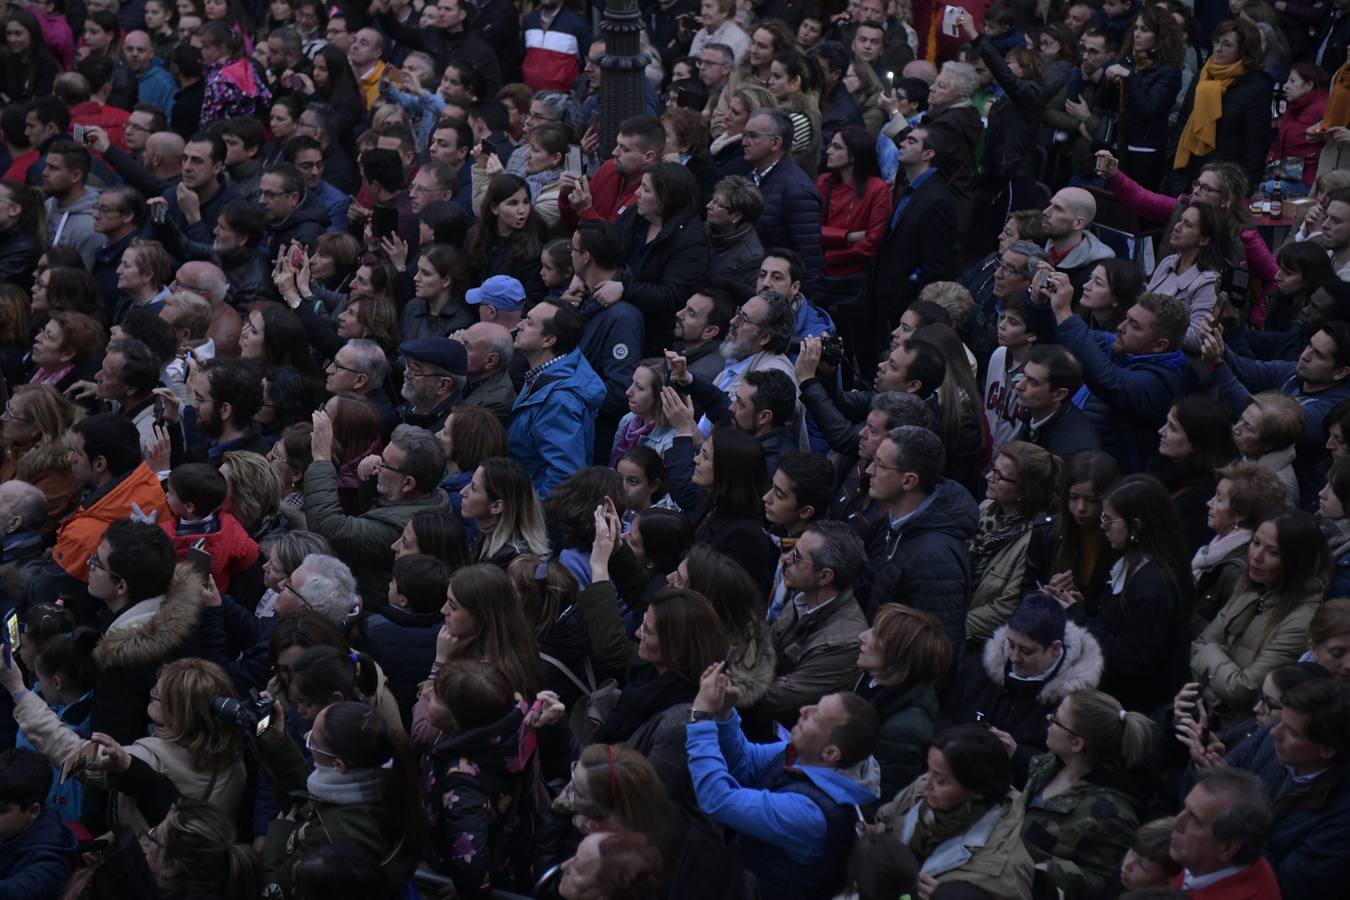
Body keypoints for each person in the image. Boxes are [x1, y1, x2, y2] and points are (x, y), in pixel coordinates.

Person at [685, 666, 881, 900]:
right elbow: (745, 763)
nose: (803, 710)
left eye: (816, 716)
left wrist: (700, 717)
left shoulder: (810, 814)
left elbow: (717, 799)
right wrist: (724, 713)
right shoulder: (807, 755)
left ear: (830, 753)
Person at [254, 700, 423, 897]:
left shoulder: (329, 840)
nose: (307, 737)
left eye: (313, 741)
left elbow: (273, 891)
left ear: (339, 766)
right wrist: (278, 742)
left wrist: (280, 831)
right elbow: (320, 796)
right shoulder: (388, 782)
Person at [1033, 278, 1196, 475]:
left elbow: (1108, 380)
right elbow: (1065, 338)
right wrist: (1041, 303)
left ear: (1159, 346)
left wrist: (1065, 313)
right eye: (1126, 318)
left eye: (1134, 325)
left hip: (1112, 483)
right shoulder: (1126, 348)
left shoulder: (1164, 381)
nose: (1121, 326)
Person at [946, 592, 1104, 780]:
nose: (1013, 657)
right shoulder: (982, 668)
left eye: (1026, 651)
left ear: (1055, 649)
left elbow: (1073, 770)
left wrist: (1017, 754)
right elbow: (949, 715)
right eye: (1011, 645)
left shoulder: (1076, 703)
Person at [1191, 510, 1328, 726]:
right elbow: (1197, 644)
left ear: (1296, 561)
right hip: (1205, 712)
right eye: (1255, 542)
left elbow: (1243, 690)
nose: (1256, 555)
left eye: (1272, 552)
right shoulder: (1249, 587)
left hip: (1236, 730)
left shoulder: (1302, 620)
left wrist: (1209, 653)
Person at [1070, 476, 1193, 712]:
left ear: (1136, 526)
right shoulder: (1130, 566)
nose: (1103, 526)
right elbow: (1113, 627)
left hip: (1138, 710)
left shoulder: (1153, 586)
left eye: (1109, 519)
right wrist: (1081, 607)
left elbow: (1128, 661)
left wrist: (1078, 617)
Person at [875, 725, 1035, 899]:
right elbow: (888, 816)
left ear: (977, 790)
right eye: (928, 770)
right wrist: (880, 832)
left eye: (941, 781)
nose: (927, 783)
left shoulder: (1007, 869)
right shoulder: (922, 789)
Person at [1019, 689, 1150, 899]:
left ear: (1077, 743)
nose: (1048, 720)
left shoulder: (1111, 814)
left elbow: (1103, 883)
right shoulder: (1046, 765)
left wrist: (1050, 872)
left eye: (1056, 720)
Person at [304, 420, 450, 605]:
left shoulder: (398, 529)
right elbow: (378, 510)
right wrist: (374, 478)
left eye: (385, 464)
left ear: (408, 483)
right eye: (381, 458)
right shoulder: (430, 495)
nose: (378, 463)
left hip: (369, 605)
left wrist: (321, 460)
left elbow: (326, 525)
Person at [856, 425, 979, 641]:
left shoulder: (935, 560)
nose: (869, 470)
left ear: (909, 481)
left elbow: (933, 651)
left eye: (880, 465)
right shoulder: (902, 523)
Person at [757, 519, 868, 726]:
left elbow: (779, 701)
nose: (786, 558)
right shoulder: (802, 598)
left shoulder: (843, 645)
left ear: (824, 576)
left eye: (797, 556)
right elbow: (760, 649)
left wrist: (747, 677)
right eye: (792, 549)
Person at [869, 127, 957, 357]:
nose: (902, 144)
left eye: (911, 141)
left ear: (928, 154)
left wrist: (914, 310)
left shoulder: (936, 199)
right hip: (890, 300)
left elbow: (935, 265)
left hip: (906, 305)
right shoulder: (912, 189)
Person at [507, 301, 606, 498]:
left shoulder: (559, 400)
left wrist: (530, 516)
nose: (519, 325)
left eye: (530, 323)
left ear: (548, 341)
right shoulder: (546, 374)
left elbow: (564, 476)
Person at [965, 442, 1058, 643]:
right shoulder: (986, 508)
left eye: (998, 475)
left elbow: (1004, 609)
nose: (988, 477)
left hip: (982, 644)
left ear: (1024, 491)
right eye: (992, 469)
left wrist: (950, 626)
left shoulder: (1033, 539)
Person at [856, 604, 952, 798]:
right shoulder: (873, 680)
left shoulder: (905, 727)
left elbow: (881, 795)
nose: (862, 636)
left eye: (876, 634)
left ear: (898, 655)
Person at [1171, 18, 1273, 189]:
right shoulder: (1204, 74)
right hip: (1189, 172)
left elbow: (1256, 144)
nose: (1217, 49)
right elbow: (1183, 121)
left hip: (1226, 179)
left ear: (1243, 50)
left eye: (1226, 45)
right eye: (1216, 42)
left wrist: (1246, 186)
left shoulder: (1256, 86)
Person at [1096, 4, 1185, 191]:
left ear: (1160, 36)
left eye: (1144, 30)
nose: (1137, 34)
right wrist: (1108, 82)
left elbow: (1149, 108)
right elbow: (1102, 103)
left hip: (1144, 149)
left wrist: (1130, 78)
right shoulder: (1128, 60)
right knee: (1109, 198)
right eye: (1135, 28)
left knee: (1135, 205)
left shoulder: (1169, 71)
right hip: (1117, 142)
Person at [1192, 462, 1287, 626]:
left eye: (1219, 499)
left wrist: (1181, 616)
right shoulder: (1218, 548)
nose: (1209, 503)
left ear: (1241, 513)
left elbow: (1225, 633)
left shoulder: (1238, 571)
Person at [741, 109, 823, 291]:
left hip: (777, 295)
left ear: (776, 143)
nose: (744, 142)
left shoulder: (797, 189)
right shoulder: (750, 178)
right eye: (744, 135)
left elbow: (808, 258)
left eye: (753, 136)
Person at [1168, 768, 1280, 897]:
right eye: (1185, 808)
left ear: (1227, 848)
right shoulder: (1207, 860)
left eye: (1195, 820)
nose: (1177, 822)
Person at [1151, 395, 1238, 554]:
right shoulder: (1160, 469)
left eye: (1172, 428)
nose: (1161, 431)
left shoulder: (1204, 499)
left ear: (1197, 442)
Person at [159, 462, 258, 593]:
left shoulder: (167, 538)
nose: (166, 494)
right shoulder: (230, 527)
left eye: (171, 493)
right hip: (217, 595)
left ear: (189, 506)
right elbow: (250, 554)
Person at [1145, 200, 1228, 352]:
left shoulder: (1208, 282)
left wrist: (1148, 328)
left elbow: (1197, 338)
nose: (1177, 227)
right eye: (1179, 220)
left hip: (1169, 360)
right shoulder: (1168, 263)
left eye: (1187, 225)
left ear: (1204, 240)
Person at [0, 385, 80, 537]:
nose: (3, 417)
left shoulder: (56, 474)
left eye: (11, 413)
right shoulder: (18, 448)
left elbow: (28, 530)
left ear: (35, 429)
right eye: (6, 408)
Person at [459, 457, 549, 567]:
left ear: (497, 506)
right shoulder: (485, 532)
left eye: (474, 488)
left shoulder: (512, 562)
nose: (462, 492)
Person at [1014, 346, 1099, 460]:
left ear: (1059, 394)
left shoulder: (1075, 448)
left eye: (1033, 382)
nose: (1019, 385)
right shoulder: (1034, 413)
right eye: (1023, 376)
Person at [1231, 391, 1306, 504]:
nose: (1235, 429)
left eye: (1248, 428)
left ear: (1269, 444)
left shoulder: (1279, 488)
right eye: (1241, 419)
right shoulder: (1252, 452)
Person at [396, 337, 466, 432]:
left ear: (443, 385)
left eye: (416, 370)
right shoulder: (414, 406)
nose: (406, 374)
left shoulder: (451, 432)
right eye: (408, 365)